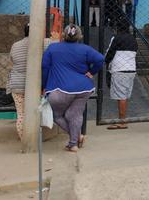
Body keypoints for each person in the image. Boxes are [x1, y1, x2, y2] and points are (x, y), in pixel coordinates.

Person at [42, 24, 104, 152]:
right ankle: (74, 143)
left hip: (59, 89)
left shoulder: (53, 48)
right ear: (79, 36)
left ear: (63, 35)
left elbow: (45, 67)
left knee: (55, 115)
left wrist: (43, 86)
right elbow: (100, 59)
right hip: (83, 88)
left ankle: (76, 139)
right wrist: (92, 72)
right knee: (74, 115)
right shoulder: (85, 49)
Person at [6, 23, 52, 140]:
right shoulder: (45, 43)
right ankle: (34, 139)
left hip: (17, 84)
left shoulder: (15, 45)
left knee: (21, 114)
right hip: (35, 85)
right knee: (35, 112)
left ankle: (24, 140)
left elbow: (11, 60)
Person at [105, 21, 138, 130]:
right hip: (131, 69)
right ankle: (122, 118)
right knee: (124, 96)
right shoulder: (133, 39)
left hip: (120, 70)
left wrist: (106, 61)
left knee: (121, 96)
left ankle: (122, 121)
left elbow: (110, 52)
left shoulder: (116, 38)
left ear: (117, 28)